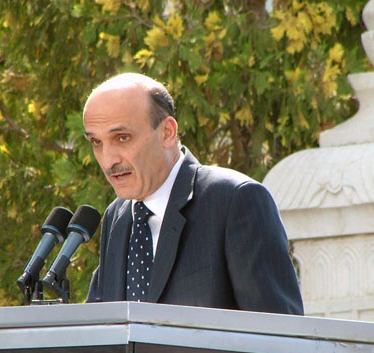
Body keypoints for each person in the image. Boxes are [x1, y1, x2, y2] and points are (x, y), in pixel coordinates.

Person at [83, 72, 304, 314]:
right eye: (97, 143)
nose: (108, 160)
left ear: (167, 132)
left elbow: (279, 335)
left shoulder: (235, 200)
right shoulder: (117, 216)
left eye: (122, 138)